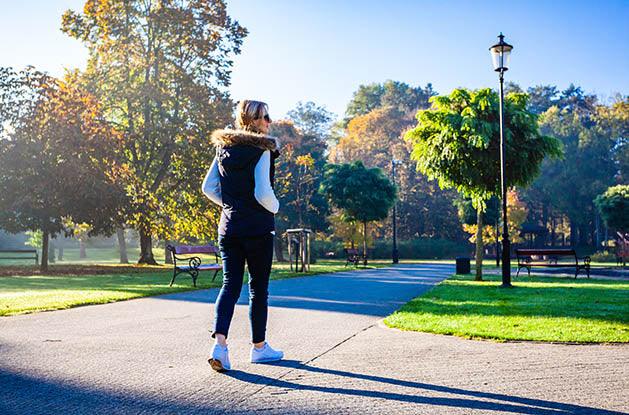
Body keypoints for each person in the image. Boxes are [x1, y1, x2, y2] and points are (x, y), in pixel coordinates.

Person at [202, 100, 283, 372]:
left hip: (229, 228)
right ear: (253, 121)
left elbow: (208, 188)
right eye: (265, 117)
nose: (269, 121)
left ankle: (220, 346)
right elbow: (262, 192)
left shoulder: (223, 147)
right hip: (257, 229)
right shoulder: (262, 148)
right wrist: (276, 207)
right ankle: (259, 349)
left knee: (230, 285)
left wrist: (230, 207)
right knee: (258, 288)